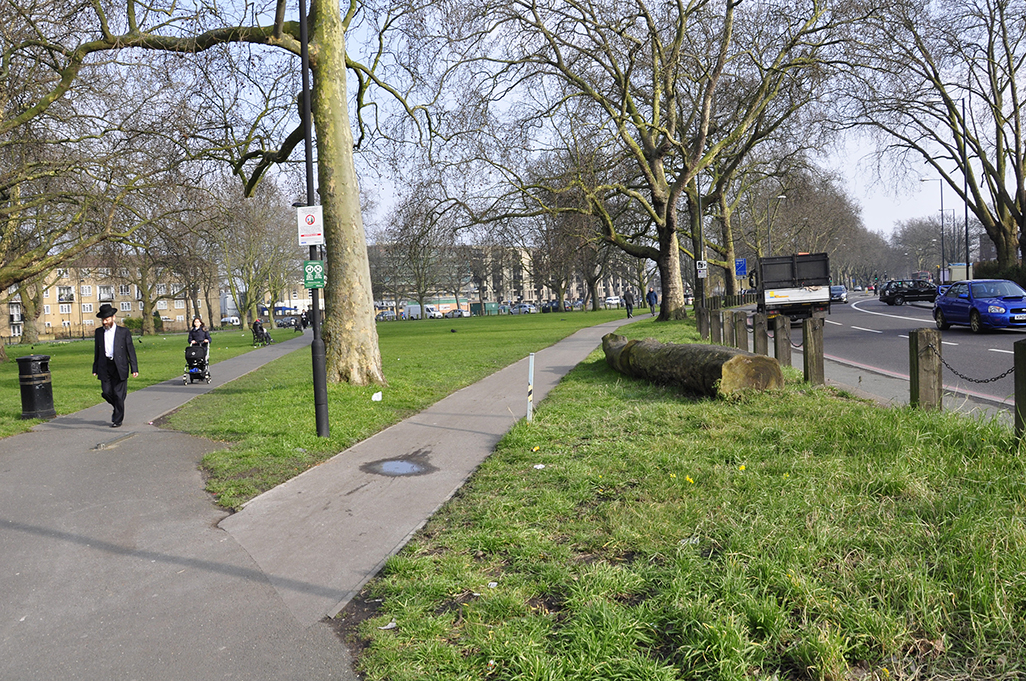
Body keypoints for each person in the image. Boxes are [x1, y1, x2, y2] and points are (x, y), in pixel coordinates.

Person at [92, 303, 139, 428]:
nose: (104, 322)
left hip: (120, 366)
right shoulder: (98, 332)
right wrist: (95, 367)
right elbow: (97, 350)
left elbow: (131, 350)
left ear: (113, 317)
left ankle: (117, 419)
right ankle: (117, 407)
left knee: (118, 394)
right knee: (106, 392)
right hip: (104, 365)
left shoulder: (123, 332)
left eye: (107, 319)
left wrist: (134, 367)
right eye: (103, 320)